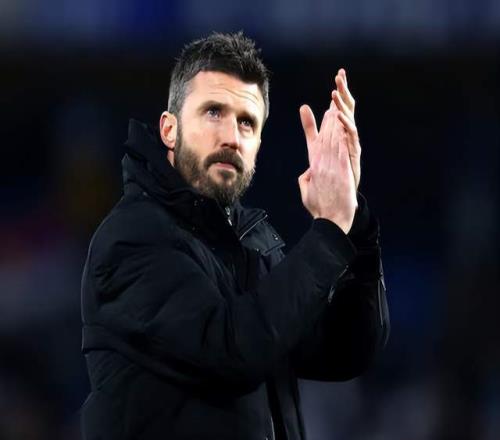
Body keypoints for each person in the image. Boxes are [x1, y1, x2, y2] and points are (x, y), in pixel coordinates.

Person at [80, 31, 389, 440]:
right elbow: (232, 351)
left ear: (258, 144)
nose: (231, 136)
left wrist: (354, 223)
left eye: (246, 122)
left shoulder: (251, 243)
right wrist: (329, 231)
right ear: (169, 130)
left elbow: (343, 352)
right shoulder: (132, 239)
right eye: (213, 112)